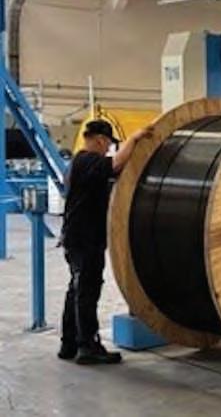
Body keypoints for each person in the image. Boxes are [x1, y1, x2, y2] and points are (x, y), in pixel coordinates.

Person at [58, 119, 152, 365]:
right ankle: (88, 346)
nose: (108, 148)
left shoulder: (77, 163)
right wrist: (135, 139)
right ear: (100, 140)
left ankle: (69, 343)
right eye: (108, 143)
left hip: (76, 237)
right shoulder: (88, 160)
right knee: (87, 291)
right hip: (85, 239)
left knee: (76, 289)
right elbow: (116, 164)